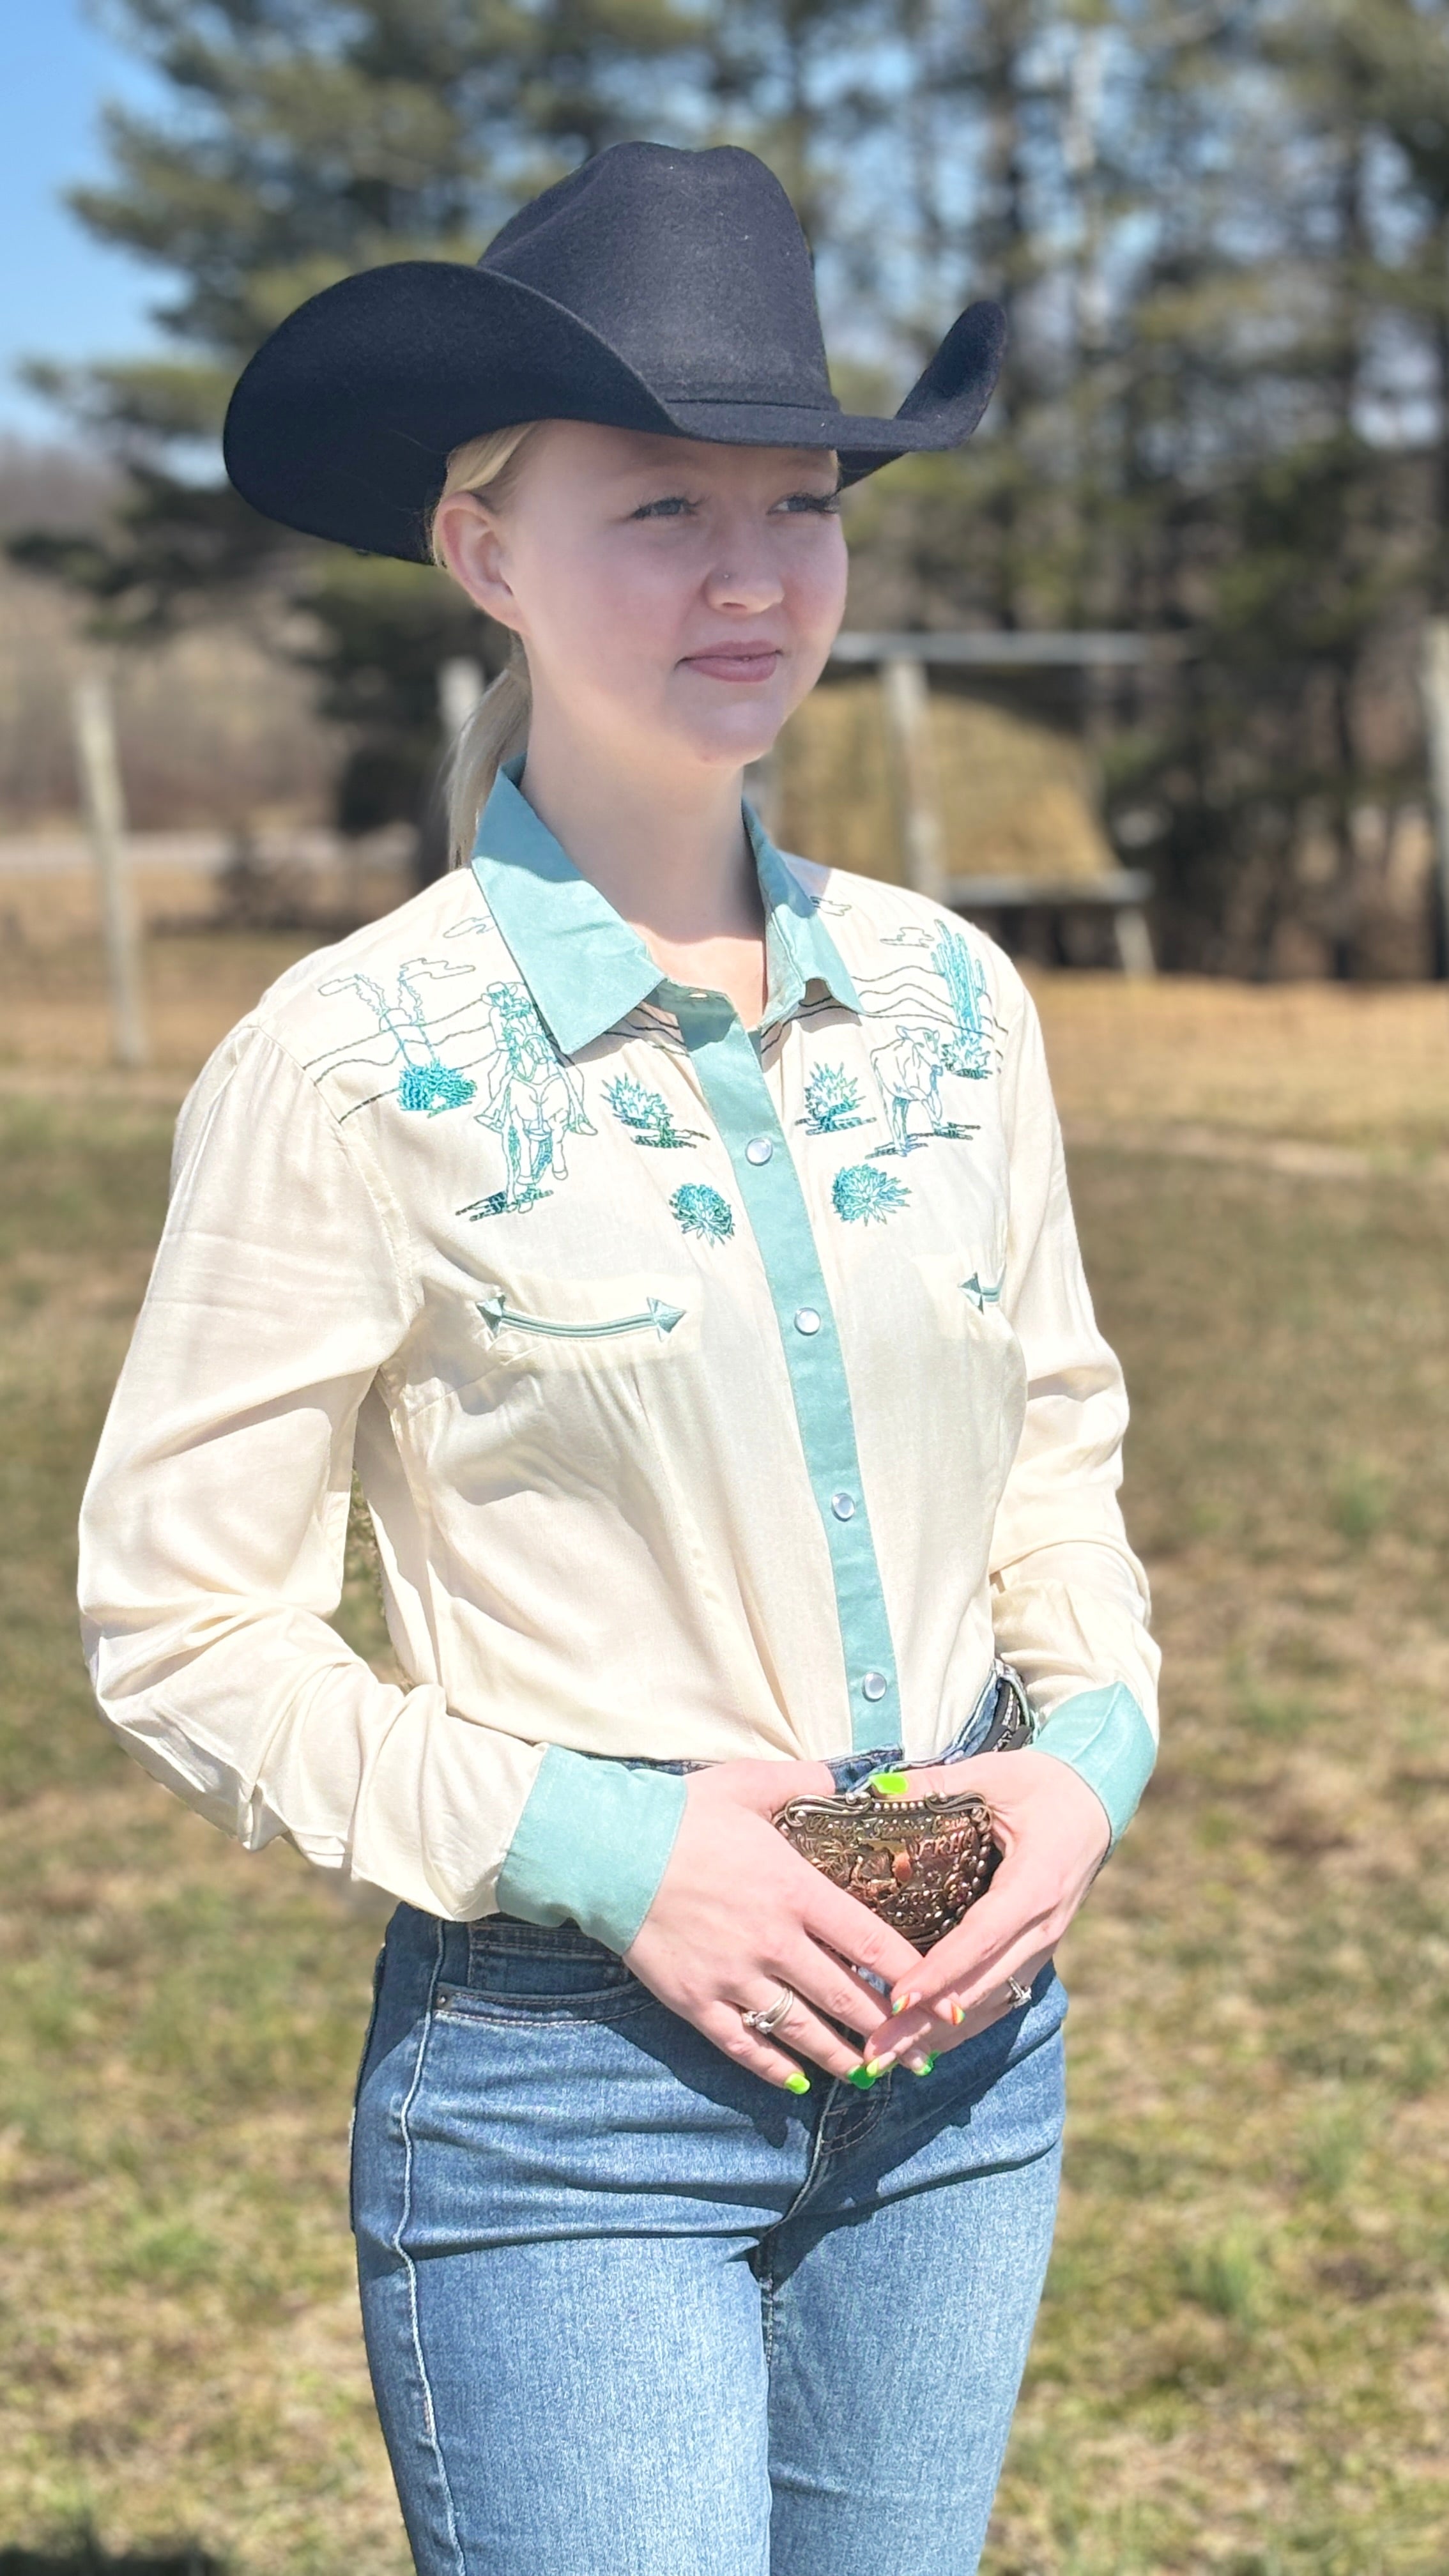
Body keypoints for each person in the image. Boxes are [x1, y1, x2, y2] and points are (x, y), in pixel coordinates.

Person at [78, 141, 1160, 2576]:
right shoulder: (351, 1062)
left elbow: (1057, 1442)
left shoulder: (960, 1009)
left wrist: (1088, 1754)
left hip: (965, 2045)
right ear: (485, 550)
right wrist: (612, 1846)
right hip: (572, 2086)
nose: (754, 571)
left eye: (799, 503)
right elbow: (184, 1625)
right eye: (661, 504)